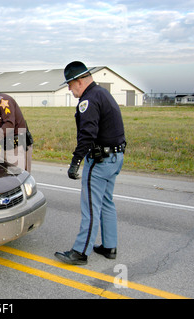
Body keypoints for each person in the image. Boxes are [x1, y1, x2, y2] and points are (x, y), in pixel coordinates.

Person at [54, 61, 126, 265]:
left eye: (69, 84)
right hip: (115, 157)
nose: (69, 89)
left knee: (91, 207)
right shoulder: (102, 93)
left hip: (100, 160)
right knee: (106, 202)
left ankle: (80, 252)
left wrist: (75, 161)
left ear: (78, 81)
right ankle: (109, 246)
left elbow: (87, 134)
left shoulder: (88, 99)